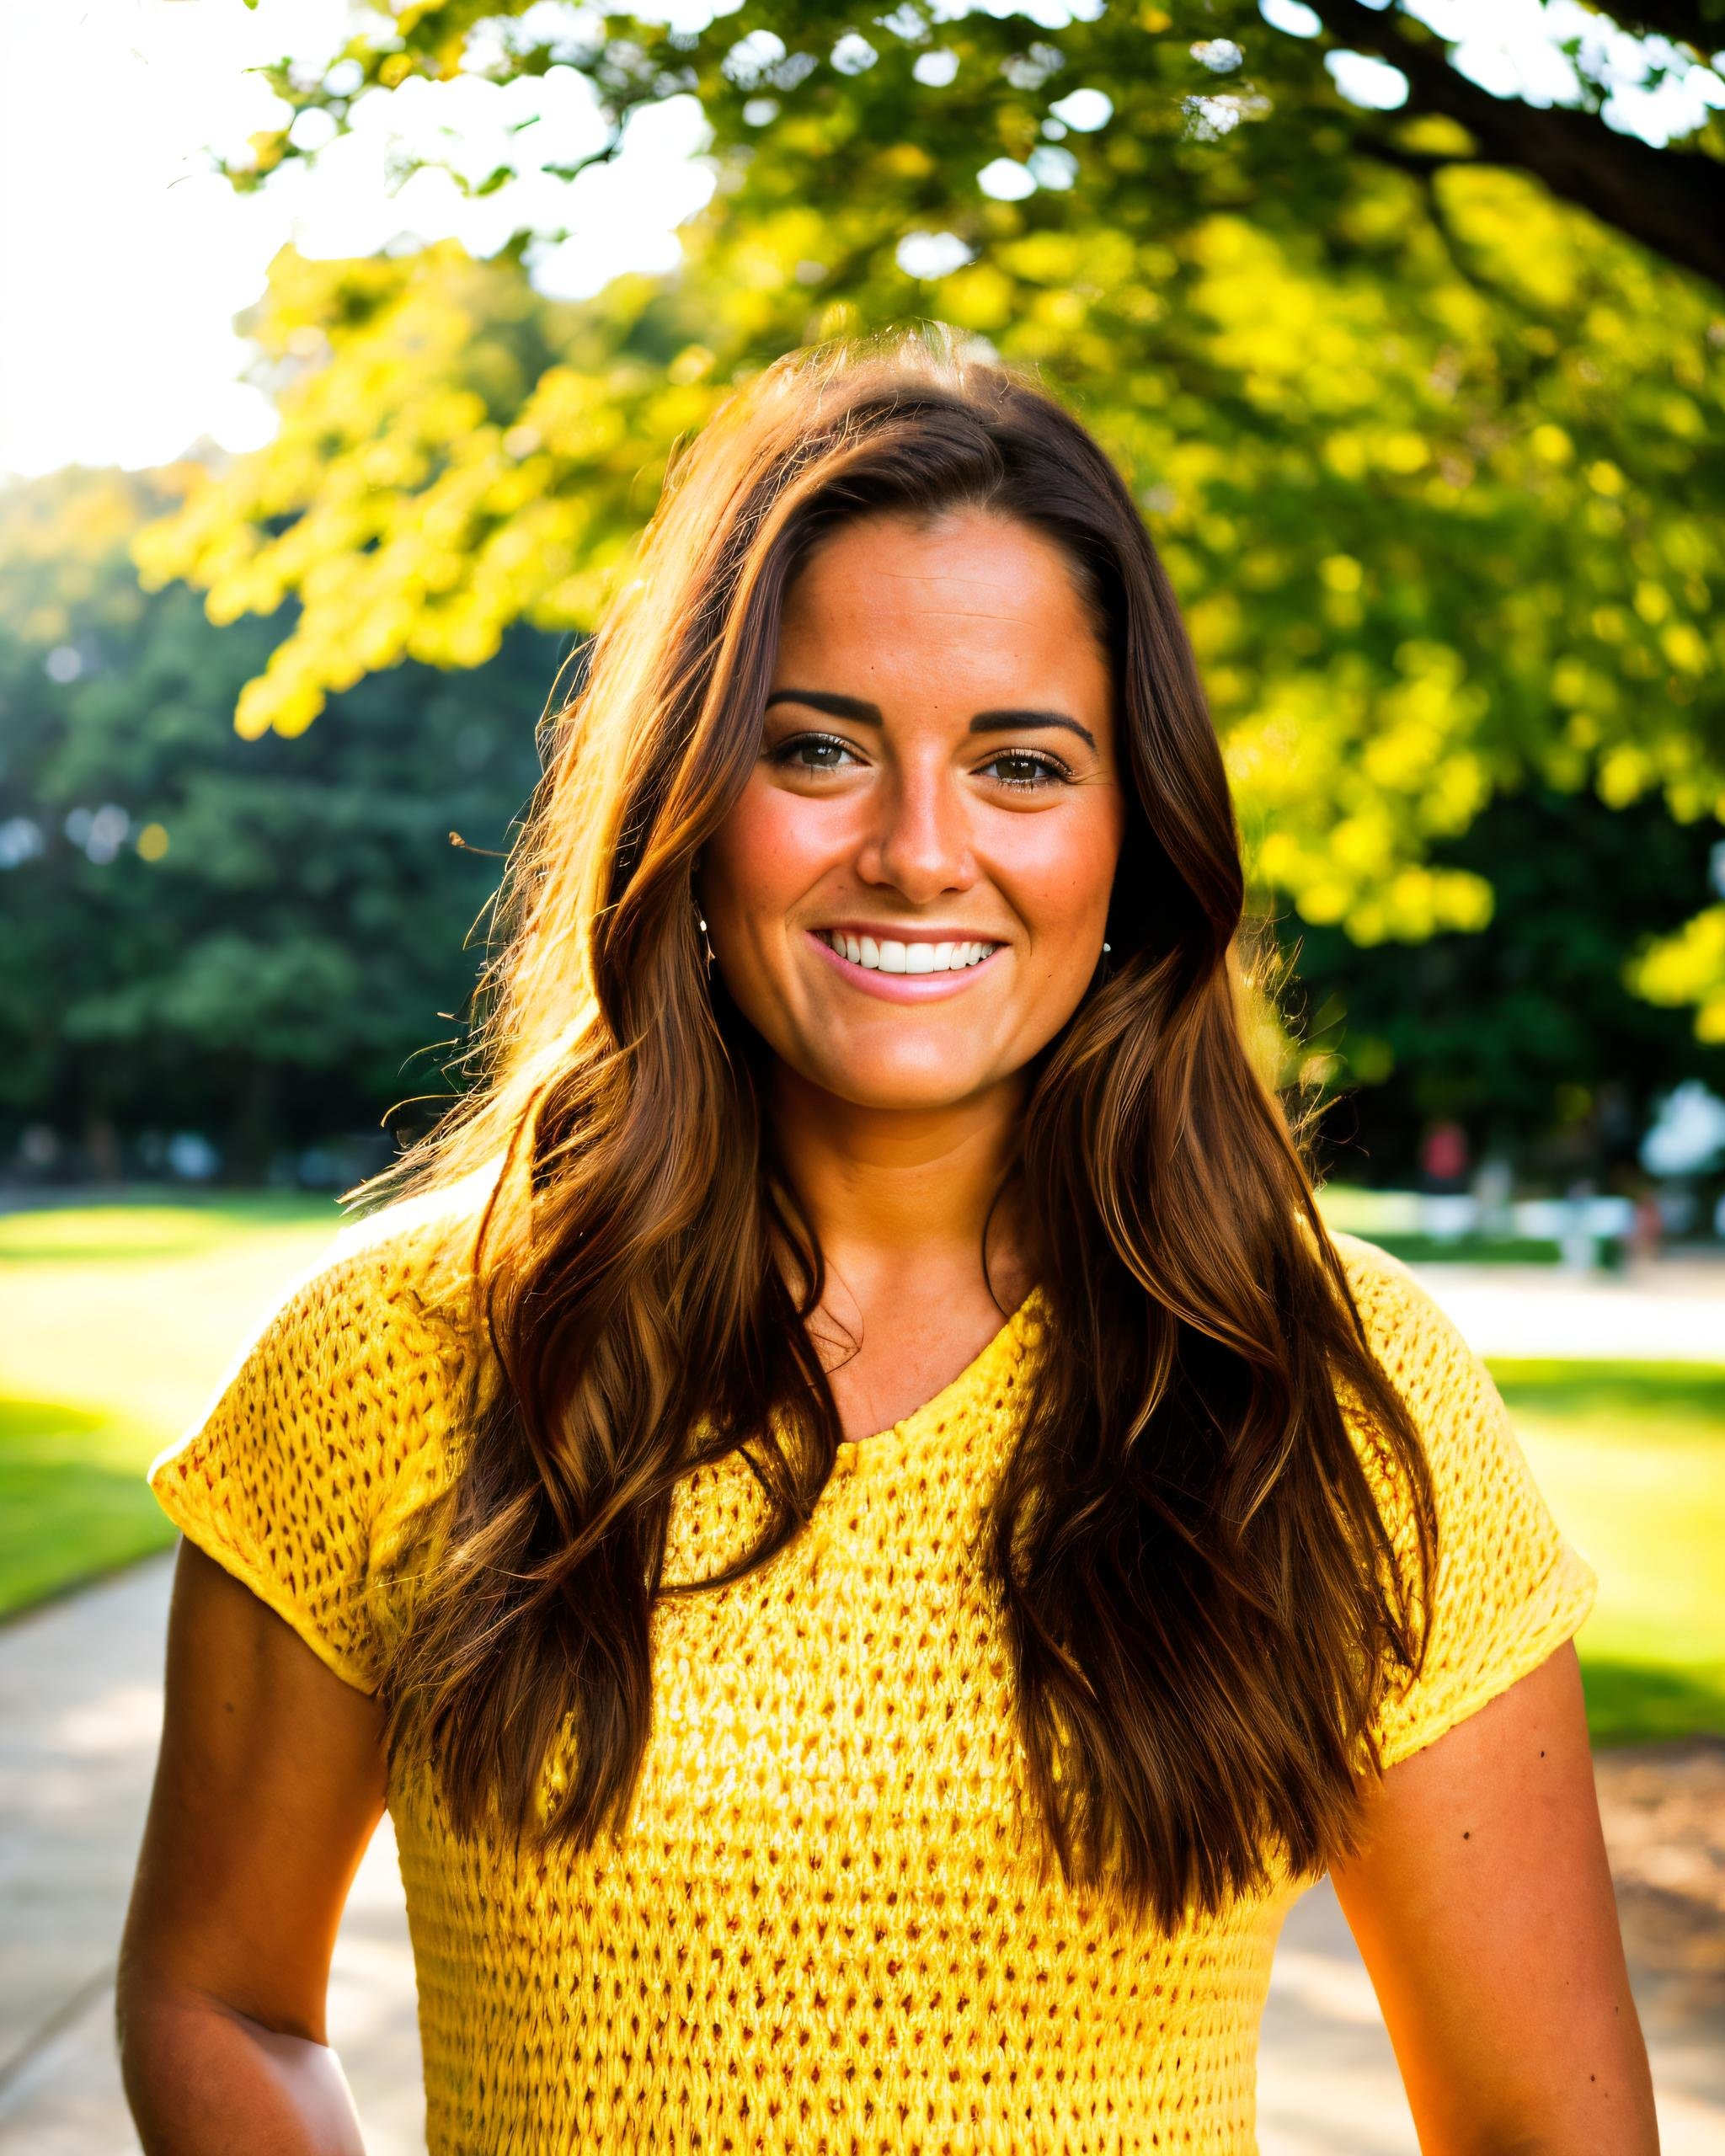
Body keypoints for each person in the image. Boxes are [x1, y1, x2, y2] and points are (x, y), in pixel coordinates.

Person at [116, 326, 1656, 2153]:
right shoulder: (401, 1355)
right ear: (690, 804)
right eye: (820, 747)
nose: (922, 851)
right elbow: (215, 1991)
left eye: (1019, 763)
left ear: (1129, 837)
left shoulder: (1334, 1391)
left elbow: (1543, 2127)